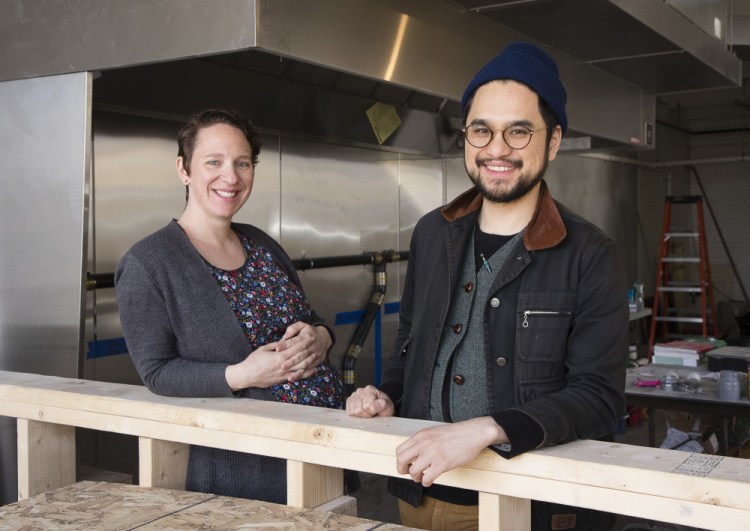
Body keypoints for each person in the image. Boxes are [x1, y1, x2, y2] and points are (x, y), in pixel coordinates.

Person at [346, 42, 628, 530]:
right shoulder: (433, 233)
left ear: (553, 140)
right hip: (417, 491)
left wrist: (487, 428)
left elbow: (600, 397)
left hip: (522, 500)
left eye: (519, 132)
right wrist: (386, 394)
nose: (496, 149)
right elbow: (408, 346)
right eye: (482, 130)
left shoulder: (588, 252)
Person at [115, 108, 345, 504]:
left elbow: (312, 320)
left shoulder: (261, 242)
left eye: (242, 163)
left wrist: (321, 338)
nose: (231, 176)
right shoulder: (148, 263)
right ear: (184, 169)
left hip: (323, 455)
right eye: (214, 162)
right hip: (247, 471)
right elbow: (157, 372)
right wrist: (241, 375)